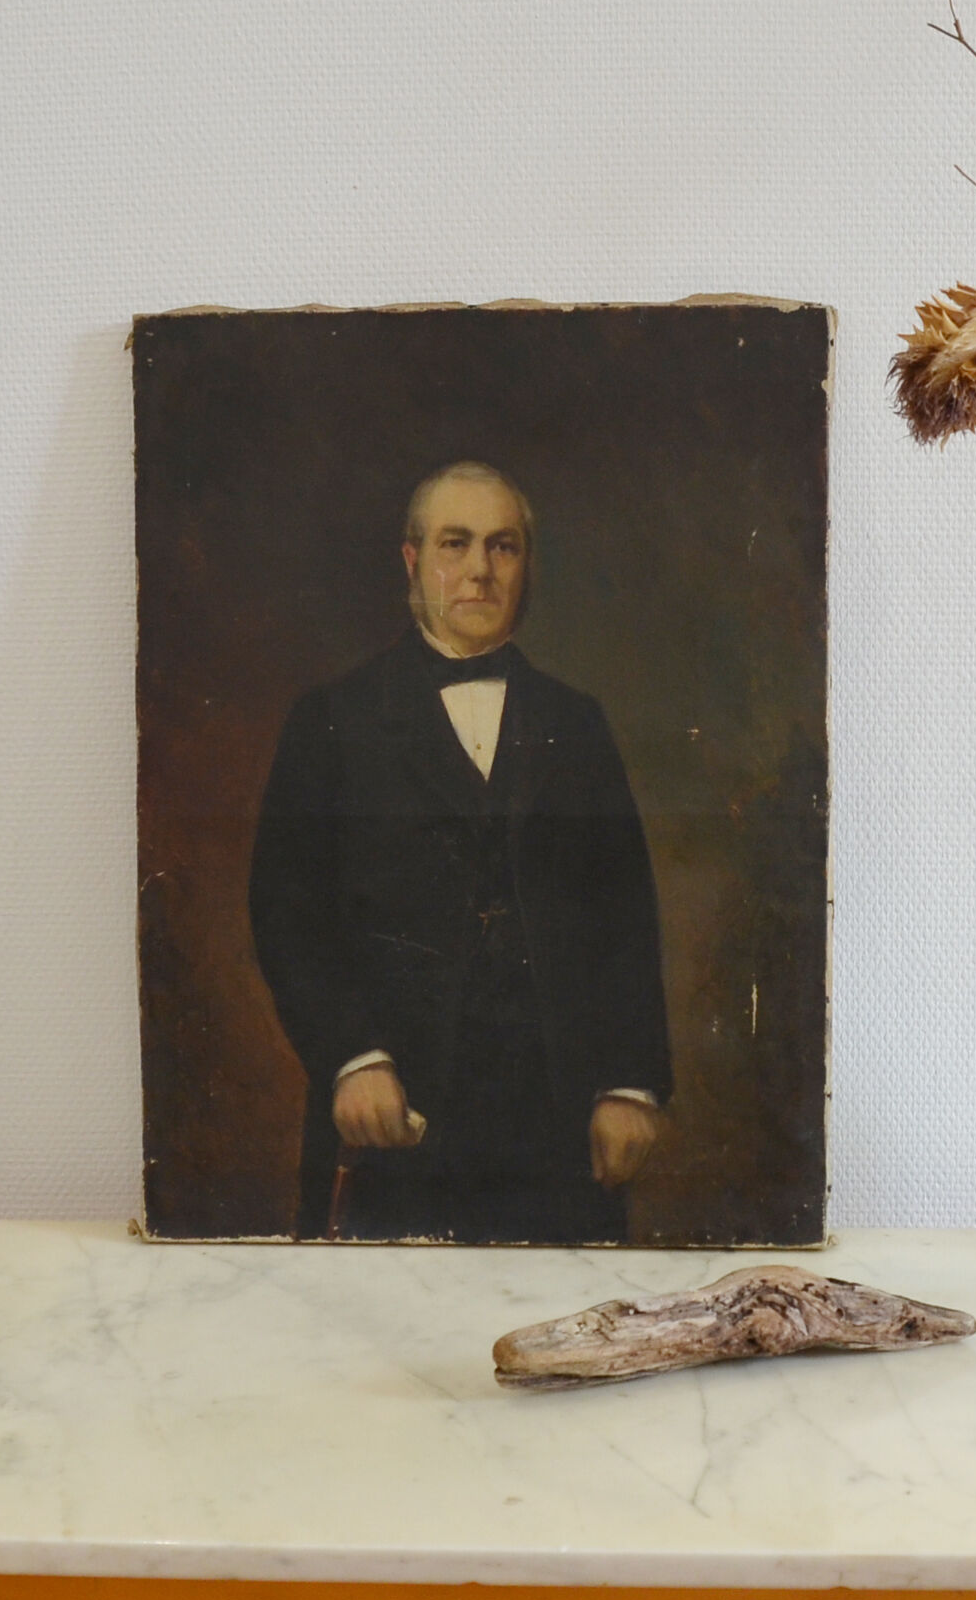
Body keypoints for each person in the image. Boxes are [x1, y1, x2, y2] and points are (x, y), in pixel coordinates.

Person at [247, 462, 671, 1242]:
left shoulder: (576, 723)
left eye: (503, 547)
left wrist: (629, 1085)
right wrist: (352, 1057)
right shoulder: (333, 720)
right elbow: (286, 910)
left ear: (526, 566)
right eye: (456, 543)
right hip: (393, 1122)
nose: (480, 569)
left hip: (560, 1134)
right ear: (413, 561)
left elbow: (624, 912)